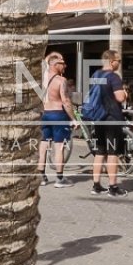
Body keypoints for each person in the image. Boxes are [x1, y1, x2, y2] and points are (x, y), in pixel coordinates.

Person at [84, 50, 129, 196]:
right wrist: (125, 93)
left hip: (98, 118)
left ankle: (96, 185)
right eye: (118, 61)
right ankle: (113, 187)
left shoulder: (96, 75)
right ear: (111, 61)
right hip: (111, 119)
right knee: (112, 153)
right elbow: (120, 97)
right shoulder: (114, 77)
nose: (119, 63)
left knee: (99, 152)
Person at [39, 53, 74, 186]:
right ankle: (59, 179)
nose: (65, 66)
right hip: (58, 114)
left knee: (43, 145)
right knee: (59, 146)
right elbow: (65, 101)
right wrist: (73, 119)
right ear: (54, 65)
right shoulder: (61, 80)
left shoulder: (42, 79)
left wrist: (54, 55)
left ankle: (41, 177)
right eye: (62, 63)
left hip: (45, 114)